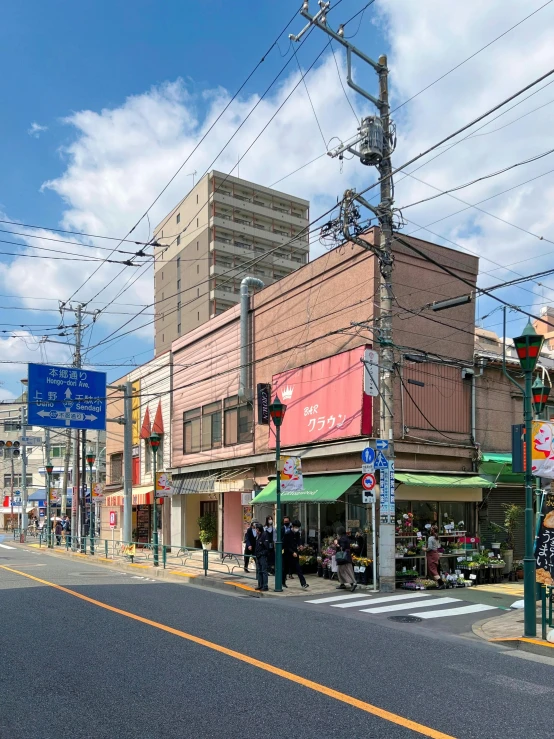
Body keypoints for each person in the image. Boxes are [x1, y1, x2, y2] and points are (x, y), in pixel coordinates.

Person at [282, 519, 309, 590]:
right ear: (293, 526)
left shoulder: (297, 533)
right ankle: (282, 582)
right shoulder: (287, 534)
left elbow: (299, 540)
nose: (297, 529)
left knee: (298, 568)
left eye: (298, 527)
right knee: (285, 569)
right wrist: (292, 552)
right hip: (287, 554)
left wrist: (300, 545)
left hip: (295, 553)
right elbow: (285, 545)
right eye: (296, 527)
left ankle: (303, 583)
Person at [334, 527, 357, 592]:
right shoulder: (346, 537)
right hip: (347, 556)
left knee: (345, 571)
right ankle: (343, 583)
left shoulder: (342, 539)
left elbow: (342, 547)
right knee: (344, 570)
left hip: (343, 557)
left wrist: (336, 544)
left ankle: (353, 583)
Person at [254, 523, 270, 591]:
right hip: (258, 555)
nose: (256, 531)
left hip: (262, 556)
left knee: (264, 571)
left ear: (258, 529)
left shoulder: (264, 535)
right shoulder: (258, 535)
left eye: (256, 529)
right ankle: (260, 585)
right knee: (259, 571)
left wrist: (262, 553)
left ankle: (265, 586)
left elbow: (266, 547)